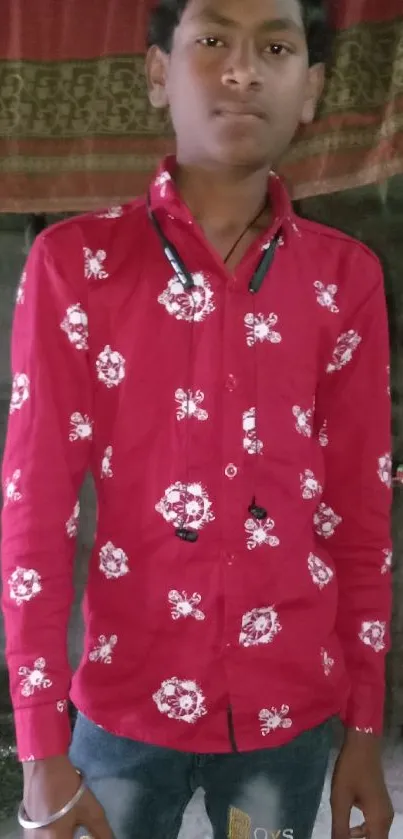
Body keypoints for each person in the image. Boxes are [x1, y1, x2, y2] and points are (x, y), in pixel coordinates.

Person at [0, 1, 395, 837]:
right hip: (123, 705)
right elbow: (34, 510)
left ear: (311, 87)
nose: (243, 69)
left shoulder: (344, 280)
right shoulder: (76, 267)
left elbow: (360, 517)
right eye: (211, 40)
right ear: (157, 74)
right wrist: (39, 746)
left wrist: (362, 728)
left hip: (288, 712)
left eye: (275, 47)